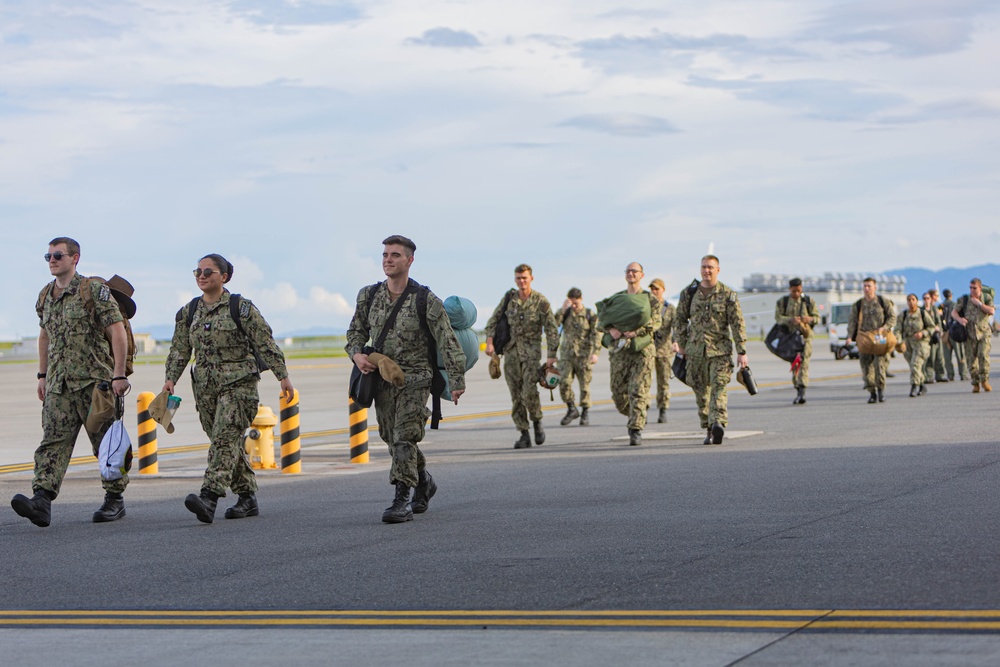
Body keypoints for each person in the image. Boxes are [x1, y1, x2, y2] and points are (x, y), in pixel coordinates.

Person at [164, 254, 295, 524]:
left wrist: (283, 376)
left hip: (239, 387)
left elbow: (265, 342)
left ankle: (209, 497)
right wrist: (170, 379)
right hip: (205, 388)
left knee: (224, 439)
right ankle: (247, 496)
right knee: (225, 443)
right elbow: (179, 350)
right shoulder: (189, 312)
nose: (202, 276)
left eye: (208, 272)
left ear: (224, 277)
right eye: (198, 272)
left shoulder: (241, 308)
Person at [11, 237, 133, 528]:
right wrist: (42, 376)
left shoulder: (94, 291)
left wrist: (118, 374)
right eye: (48, 256)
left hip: (96, 384)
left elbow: (117, 332)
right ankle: (41, 500)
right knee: (52, 442)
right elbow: (45, 336)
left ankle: (114, 498)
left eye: (58, 255)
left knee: (105, 443)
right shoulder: (45, 296)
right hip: (59, 385)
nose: (52, 260)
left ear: (74, 258)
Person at [346, 235, 466, 523]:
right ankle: (424, 481)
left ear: (409, 260)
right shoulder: (368, 296)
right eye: (385, 254)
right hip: (381, 378)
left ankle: (402, 499)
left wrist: (457, 380)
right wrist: (356, 355)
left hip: (416, 379)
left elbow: (447, 341)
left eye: (395, 255)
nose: (388, 259)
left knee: (403, 437)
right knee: (392, 439)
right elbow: (355, 332)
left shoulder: (426, 300)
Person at [673, 255, 748, 445]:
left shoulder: (727, 294)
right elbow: (679, 320)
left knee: (719, 386)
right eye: (704, 267)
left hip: (720, 351)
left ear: (718, 270)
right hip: (695, 352)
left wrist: (742, 351)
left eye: (710, 267)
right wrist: (681, 345)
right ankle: (708, 426)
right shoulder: (688, 293)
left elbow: (737, 323)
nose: (707, 271)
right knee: (700, 392)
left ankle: (718, 423)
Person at [485, 264, 558, 449]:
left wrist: (551, 356)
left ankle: (537, 421)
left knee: (529, 392)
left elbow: (551, 329)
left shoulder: (540, 301)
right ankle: (524, 433)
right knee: (516, 396)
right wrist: (490, 342)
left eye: (525, 277)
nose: (521, 281)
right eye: (518, 278)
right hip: (510, 353)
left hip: (531, 354)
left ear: (531, 278)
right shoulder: (509, 299)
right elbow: (492, 322)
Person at [600, 263, 661, 446]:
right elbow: (601, 321)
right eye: (628, 271)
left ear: (642, 275)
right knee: (618, 393)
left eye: (634, 271)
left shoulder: (649, 299)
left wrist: (637, 332)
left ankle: (636, 428)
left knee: (638, 390)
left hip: (642, 350)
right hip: (620, 351)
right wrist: (612, 330)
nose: (631, 273)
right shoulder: (617, 299)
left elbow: (656, 322)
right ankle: (637, 413)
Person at [846, 277, 896, 404]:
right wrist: (849, 336)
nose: (867, 289)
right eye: (865, 286)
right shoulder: (858, 305)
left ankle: (881, 390)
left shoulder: (882, 301)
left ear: (875, 287)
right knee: (866, 367)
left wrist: (884, 328)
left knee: (880, 365)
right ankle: (872, 392)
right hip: (865, 338)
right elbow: (852, 321)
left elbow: (892, 317)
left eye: (869, 286)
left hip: (880, 336)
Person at [554, 288, 599, 427]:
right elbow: (554, 324)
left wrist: (595, 352)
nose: (574, 306)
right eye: (571, 303)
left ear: (581, 299)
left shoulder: (589, 314)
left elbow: (596, 334)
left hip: (583, 355)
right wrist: (563, 309)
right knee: (564, 382)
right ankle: (571, 408)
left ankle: (585, 413)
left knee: (584, 385)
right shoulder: (566, 313)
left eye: (576, 303)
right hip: (567, 355)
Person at [774, 278, 819, 405]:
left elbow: (817, 318)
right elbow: (778, 318)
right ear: (790, 289)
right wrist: (790, 320)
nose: (796, 294)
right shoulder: (783, 302)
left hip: (805, 337)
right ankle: (798, 387)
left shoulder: (808, 301)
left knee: (804, 363)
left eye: (799, 291)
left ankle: (802, 391)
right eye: (794, 291)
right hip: (790, 338)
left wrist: (809, 319)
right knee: (795, 365)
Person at [951, 278, 995, 393]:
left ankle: (984, 380)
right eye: (970, 287)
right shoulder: (964, 299)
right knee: (971, 360)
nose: (972, 290)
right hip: (969, 334)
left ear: (980, 288)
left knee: (983, 356)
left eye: (974, 288)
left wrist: (980, 304)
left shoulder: (986, 298)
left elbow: (991, 311)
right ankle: (975, 383)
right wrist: (960, 320)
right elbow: (953, 312)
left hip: (983, 332)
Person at [894, 293, 935, 397]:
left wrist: (923, 333)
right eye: (909, 300)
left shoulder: (922, 313)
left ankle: (914, 386)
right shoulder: (903, 315)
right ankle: (922, 385)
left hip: (921, 344)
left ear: (917, 301)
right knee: (913, 367)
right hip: (907, 344)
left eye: (913, 299)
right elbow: (897, 329)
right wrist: (898, 341)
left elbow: (932, 327)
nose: (911, 302)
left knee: (915, 364)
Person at [648, 278, 675, 423]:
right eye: (652, 288)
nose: (654, 291)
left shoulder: (670, 308)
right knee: (644, 382)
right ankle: (643, 410)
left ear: (663, 290)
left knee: (663, 382)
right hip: (648, 350)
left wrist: (676, 342)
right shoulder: (646, 307)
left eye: (656, 289)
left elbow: (677, 327)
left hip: (664, 350)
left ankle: (663, 409)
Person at [940, 288, 968, 381]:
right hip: (955, 332)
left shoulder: (941, 306)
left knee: (947, 356)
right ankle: (963, 374)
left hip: (945, 333)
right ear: (951, 295)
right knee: (960, 354)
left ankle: (950, 375)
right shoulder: (955, 305)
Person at [921, 291, 947, 383]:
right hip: (927, 337)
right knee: (930, 358)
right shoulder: (921, 311)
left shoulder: (934, 309)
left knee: (940, 357)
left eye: (928, 298)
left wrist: (939, 330)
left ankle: (940, 375)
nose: (926, 300)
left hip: (936, 336)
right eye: (924, 298)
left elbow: (938, 322)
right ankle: (929, 376)